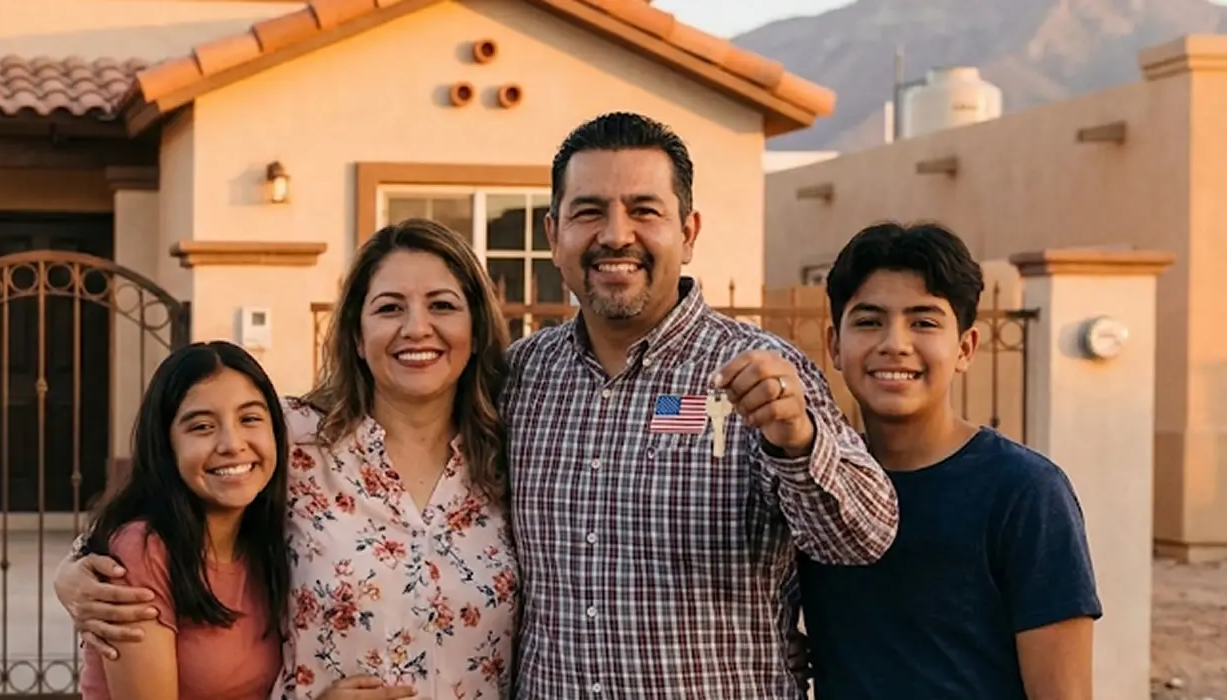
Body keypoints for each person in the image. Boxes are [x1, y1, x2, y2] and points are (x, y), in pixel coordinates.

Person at [502, 111, 900, 698]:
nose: (615, 235)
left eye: (645, 210)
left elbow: (862, 538)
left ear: (688, 233)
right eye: (589, 211)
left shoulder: (765, 373)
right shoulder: (519, 377)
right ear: (553, 235)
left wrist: (799, 442)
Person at [61, 219, 520, 700]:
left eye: (442, 305)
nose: (417, 328)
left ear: (476, 326)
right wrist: (74, 573)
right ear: (357, 336)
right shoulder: (292, 437)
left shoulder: (512, 452)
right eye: (389, 308)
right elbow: (158, 509)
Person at [799, 222, 1100, 699]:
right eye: (869, 320)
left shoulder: (1024, 492)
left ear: (965, 348)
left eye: (923, 321)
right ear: (835, 345)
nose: (895, 343)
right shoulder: (817, 487)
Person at [76, 340, 293, 700]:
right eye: (202, 427)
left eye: (250, 418)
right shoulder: (142, 552)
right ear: (166, 446)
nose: (232, 443)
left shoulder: (272, 537)